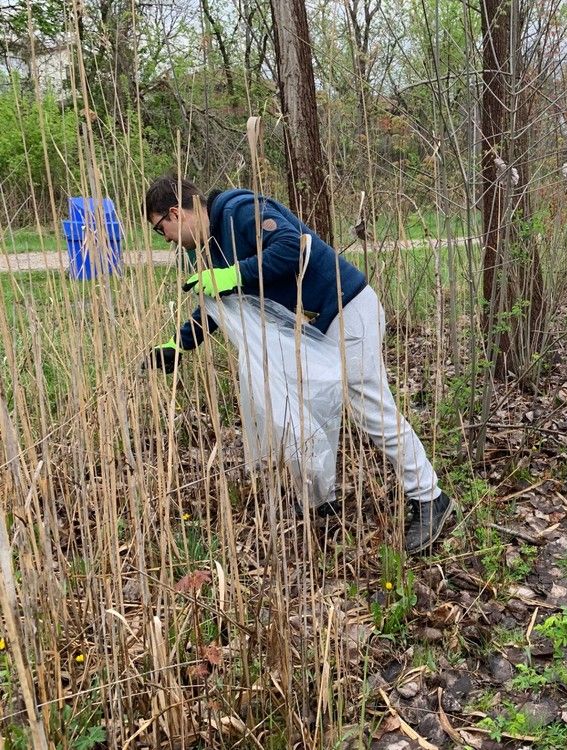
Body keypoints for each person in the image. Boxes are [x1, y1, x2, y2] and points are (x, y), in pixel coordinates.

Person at [144, 176, 454, 553]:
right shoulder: (208, 251)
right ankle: (321, 502)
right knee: (298, 412)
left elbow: (291, 246)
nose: (167, 239)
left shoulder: (239, 211)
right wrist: (179, 344)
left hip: (344, 309)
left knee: (370, 408)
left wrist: (234, 274)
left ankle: (430, 498)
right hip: (308, 332)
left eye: (162, 229)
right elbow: (217, 307)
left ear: (176, 213)